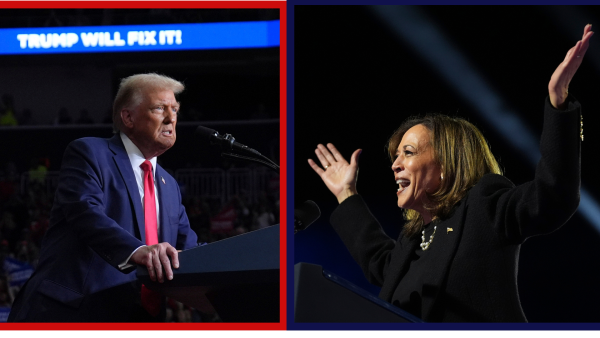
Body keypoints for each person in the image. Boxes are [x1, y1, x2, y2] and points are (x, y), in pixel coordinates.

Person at [307, 25, 593, 322]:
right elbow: (379, 261)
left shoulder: (484, 206)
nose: (395, 165)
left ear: (446, 164)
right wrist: (345, 193)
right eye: (396, 156)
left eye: (409, 152)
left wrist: (558, 103)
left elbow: (553, 194)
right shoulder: (413, 239)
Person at [8, 73, 198, 322]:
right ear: (128, 117)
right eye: (159, 108)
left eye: (175, 108)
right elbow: (85, 212)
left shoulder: (169, 185)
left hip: (140, 321)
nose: (170, 117)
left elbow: (191, 251)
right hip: (72, 314)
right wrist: (137, 250)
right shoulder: (90, 153)